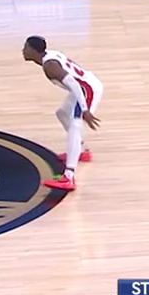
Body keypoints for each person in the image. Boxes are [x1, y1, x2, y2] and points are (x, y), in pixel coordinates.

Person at [21, 36, 103, 191]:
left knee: (75, 126)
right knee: (62, 113)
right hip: (84, 86)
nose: (23, 50)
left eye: (26, 47)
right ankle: (81, 151)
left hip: (86, 90)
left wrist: (85, 109)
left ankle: (69, 177)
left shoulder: (50, 66)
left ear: (33, 50)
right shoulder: (50, 56)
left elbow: (75, 84)